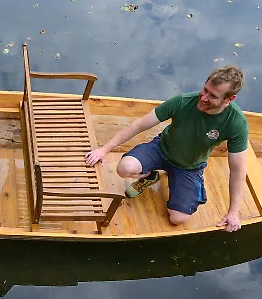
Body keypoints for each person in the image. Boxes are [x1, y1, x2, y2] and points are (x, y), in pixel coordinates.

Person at [85, 65, 249, 232]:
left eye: (213, 96)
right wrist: (104, 149)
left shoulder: (236, 123)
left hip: (189, 167)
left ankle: (181, 182)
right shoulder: (183, 101)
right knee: (124, 168)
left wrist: (233, 212)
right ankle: (151, 175)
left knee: (178, 218)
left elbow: (237, 169)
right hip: (161, 149)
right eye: (204, 90)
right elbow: (139, 125)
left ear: (229, 99)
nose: (204, 98)